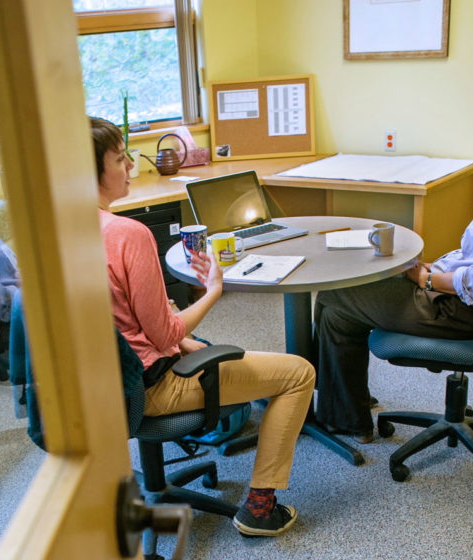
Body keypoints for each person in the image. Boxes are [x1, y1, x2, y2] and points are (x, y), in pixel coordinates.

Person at [314, 75, 473, 443]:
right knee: (357, 287)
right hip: (462, 301)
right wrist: (437, 267)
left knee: (334, 298)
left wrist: (426, 279)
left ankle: (342, 415)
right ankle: (341, 400)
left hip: (459, 312)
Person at [91, 116, 316, 537]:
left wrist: (181, 341)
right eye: (120, 160)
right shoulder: (127, 234)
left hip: (100, 390)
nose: (130, 169)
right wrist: (213, 288)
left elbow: (125, 324)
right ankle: (260, 509)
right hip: (151, 388)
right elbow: (165, 334)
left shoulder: (56, 233)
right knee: (298, 373)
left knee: (197, 343)